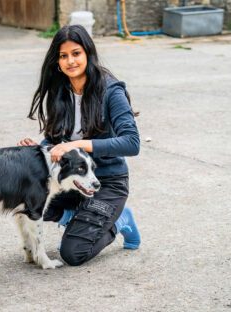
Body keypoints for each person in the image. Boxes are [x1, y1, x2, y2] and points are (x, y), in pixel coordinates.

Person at [19, 24, 141, 266]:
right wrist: (39, 148)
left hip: (107, 181)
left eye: (76, 53)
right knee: (28, 200)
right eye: (63, 56)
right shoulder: (60, 90)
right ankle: (82, 215)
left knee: (73, 253)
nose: (70, 61)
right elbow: (56, 140)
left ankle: (119, 220)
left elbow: (132, 143)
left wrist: (79, 144)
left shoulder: (110, 90)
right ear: (56, 61)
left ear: (88, 53)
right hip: (75, 178)